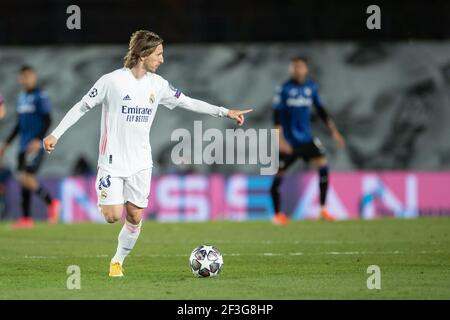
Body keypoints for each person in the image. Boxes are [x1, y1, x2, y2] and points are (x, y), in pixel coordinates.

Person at [43, 30, 252, 277]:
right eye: (159, 54)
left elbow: (188, 101)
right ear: (143, 54)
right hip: (112, 161)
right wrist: (56, 133)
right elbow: (81, 107)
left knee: (135, 215)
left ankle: (117, 262)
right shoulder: (111, 81)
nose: (162, 59)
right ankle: (108, 203)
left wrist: (224, 112)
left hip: (141, 162)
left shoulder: (158, 85)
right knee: (112, 216)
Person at [271, 56, 345, 224]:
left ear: (306, 69)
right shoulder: (283, 89)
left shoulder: (311, 87)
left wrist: (334, 132)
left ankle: (323, 209)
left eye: (300, 67)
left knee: (323, 165)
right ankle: (277, 215)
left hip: (306, 139)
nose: (297, 70)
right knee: (278, 174)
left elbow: (321, 110)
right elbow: (276, 116)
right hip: (289, 142)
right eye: (294, 67)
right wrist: (279, 140)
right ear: (291, 69)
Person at [0, 66, 60, 228]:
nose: (26, 80)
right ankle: (26, 219)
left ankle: (51, 202)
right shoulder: (21, 98)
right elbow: (19, 125)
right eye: (23, 77)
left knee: (26, 177)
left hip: (34, 146)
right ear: (20, 79)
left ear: (33, 77)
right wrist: (7, 143)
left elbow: (48, 120)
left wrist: (38, 140)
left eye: (28, 77)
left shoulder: (40, 96)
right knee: (23, 180)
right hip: (22, 146)